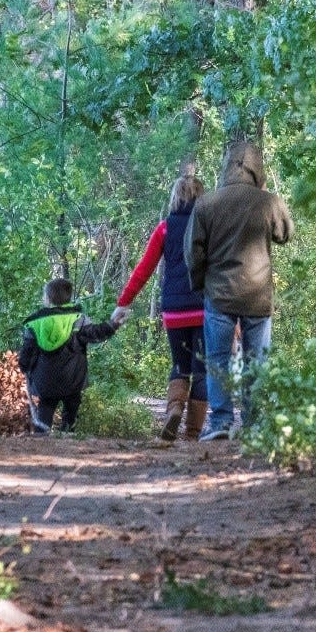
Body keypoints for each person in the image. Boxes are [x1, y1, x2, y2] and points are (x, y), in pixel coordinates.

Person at [183, 141, 294, 441]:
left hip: (219, 293)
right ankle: (255, 423)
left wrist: (200, 284)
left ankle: (219, 422)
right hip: (258, 295)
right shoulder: (268, 201)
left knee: (218, 360)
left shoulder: (207, 203)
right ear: (259, 170)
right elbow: (285, 234)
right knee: (256, 360)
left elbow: (192, 252)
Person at [113, 174, 208, 441]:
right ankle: (192, 432)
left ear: (175, 197)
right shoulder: (207, 228)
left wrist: (124, 302)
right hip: (202, 309)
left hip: (174, 310)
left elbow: (144, 269)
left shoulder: (165, 228)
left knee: (180, 364)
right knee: (202, 368)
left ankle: (174, 409)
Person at [18, 278, 125, 433]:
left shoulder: (35, 323)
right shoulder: (78, 319)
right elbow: (96, 333)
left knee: (46, 407)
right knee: (72, 405)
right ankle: (68, 432)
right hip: (72, 379)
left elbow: (27, 352)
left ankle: (42, 437)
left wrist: (23, 367)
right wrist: (113, 324)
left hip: (45, 380)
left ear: (48, 299)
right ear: (68, 297)